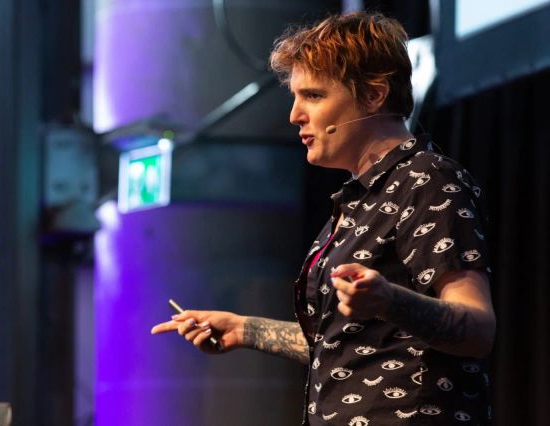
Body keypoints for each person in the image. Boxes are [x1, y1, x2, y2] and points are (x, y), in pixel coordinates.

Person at [152, 11, 495, 425]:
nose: (295, 115)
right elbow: (355, 342)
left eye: (313, 96)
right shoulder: (359, 201)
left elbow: (477, 330)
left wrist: (390, 299)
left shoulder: (427, 179)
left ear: (373, 95)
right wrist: (245, 329)